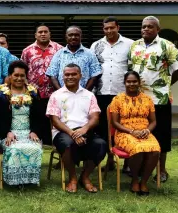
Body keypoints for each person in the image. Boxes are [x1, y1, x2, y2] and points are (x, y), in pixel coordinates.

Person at [128, 16, 178, 183]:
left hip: (160, 99)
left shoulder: (167, 45)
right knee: (140, 131)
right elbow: (131, 70)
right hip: (138, 100)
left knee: (161, 134)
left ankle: (162, 169)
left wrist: (165, 86)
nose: (146, 29)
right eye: (144, 26)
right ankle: (142, 167)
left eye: (150, 27)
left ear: (157, 29)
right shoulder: (135, 45)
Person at [46, 63, 107, 193]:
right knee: (67, 144)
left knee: (101, 144)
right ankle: (73, 178)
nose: (70, 77)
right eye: (67, 74)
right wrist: (72, 133)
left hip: (85, 131)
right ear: (63, 76)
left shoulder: (89, 95)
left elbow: (95, 117)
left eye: (74, 74)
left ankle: (85, 177)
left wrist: (83, 130)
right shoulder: (56, 95)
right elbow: (55, 120)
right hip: (63, 131)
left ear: (80, 75)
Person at [89, 16, 134, 172]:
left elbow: (133, 68)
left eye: (112, 28)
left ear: (118, 27)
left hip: (122, 93)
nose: (109, 31)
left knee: (124, 126)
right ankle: (109, 160)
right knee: (104, 128)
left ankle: (127, 164)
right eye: (106, 28)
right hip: (101, 93)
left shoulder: (130, 45)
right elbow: (93, 68)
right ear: (103, 29)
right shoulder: (96, 45)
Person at [0, 61, 42, 188]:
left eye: (22, 76)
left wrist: (34, 131)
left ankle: (29, 180)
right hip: (6, 133)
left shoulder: (33, 93)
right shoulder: (0, 94)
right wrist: (6, 132)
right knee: (14, 148)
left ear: (26, 77)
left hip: (29, 132)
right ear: (10, 76)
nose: (19, 78)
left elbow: (39, 117)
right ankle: (14, 181)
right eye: (16, 75)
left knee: (35, 147)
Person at [110, 71, 160, 195]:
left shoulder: (147, 99)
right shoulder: (117, 99)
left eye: (134, 81)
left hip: (144, 132)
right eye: (129, 81)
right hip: (124, 132)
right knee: (138, 149)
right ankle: (134, 180)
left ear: (139, 83)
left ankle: (143, 181)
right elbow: (115, 123)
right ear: (124, 83)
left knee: (155, 150)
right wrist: (132, 131)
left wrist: (147, 130)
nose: (131, 84)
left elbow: (153, 121)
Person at [21, 23, 63, 145]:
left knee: (55, 122)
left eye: (45, 32)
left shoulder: (59, 49)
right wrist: (28, 88)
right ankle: (35, 147)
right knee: (37, 121)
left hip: (55, 94)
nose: (43, 34)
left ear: (50, 34)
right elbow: (22, 72)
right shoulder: (27, 51)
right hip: (35, 95)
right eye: (40, 32)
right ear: (35, 35)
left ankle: (57, 147)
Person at [45, 26, 101, 92]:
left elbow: (95, 75)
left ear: (81, 36)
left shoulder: (90, 54)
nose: (73, 37)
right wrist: (61, 92)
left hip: (84, 96)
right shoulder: (59, 54)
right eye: (70, 35)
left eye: (76, 35)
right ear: (66, 37)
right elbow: (52, 75)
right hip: (63, 97)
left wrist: (85, 93)